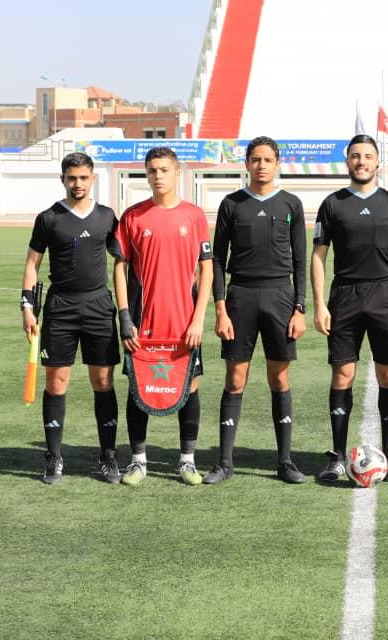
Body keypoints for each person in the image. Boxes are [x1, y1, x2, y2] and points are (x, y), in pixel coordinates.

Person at [311, 134, 388, 483]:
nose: (361, 161)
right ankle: (337, 456)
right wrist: (319, 304)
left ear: (377, 162)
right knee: (342, 374)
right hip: (345, 295)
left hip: (386, 295)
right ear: (347, 161)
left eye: (368, 156)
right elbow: (318, 257)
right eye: (355, 156)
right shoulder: (332, 204)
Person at [205, 136, 307, 485]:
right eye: (255, 159)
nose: (261, 165)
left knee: (279, 378)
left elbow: (300, 261)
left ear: (277, 164)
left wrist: (300, 308)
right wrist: (220, 309)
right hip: (240, 297)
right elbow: (217, 260)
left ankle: (285, 461)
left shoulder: (291, 204)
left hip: (280, 297)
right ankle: (224, 462)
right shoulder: (231, 204)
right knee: (235, 379)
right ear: (247, 163)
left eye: (267, 160)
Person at [113, 146, 214, 487]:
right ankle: (138, 461)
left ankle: (187, 461)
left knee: (190, 386)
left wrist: (198, 319)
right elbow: (120, 268)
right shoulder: (133, 217)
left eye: (165, 169)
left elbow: (207, 269)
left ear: (177, 173)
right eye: (152, 170)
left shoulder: (194, 216)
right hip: (144, 323)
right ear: (146, 173)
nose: (158, 176)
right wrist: (125, 317)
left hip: (184, 323)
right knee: (137, 387)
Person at [20, 152, 122, 485]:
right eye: (71, 178)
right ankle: (53, 456)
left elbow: (123, 262)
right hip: (60, 308)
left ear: (93, 179)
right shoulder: (48, 218)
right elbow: (32, 264)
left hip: (99, 307)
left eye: (83, 177)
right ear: (62, 179)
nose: (77, 183)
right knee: (56, 383)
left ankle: (108, 455)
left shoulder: (107, 217)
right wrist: (27, 307)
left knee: (103, 382)